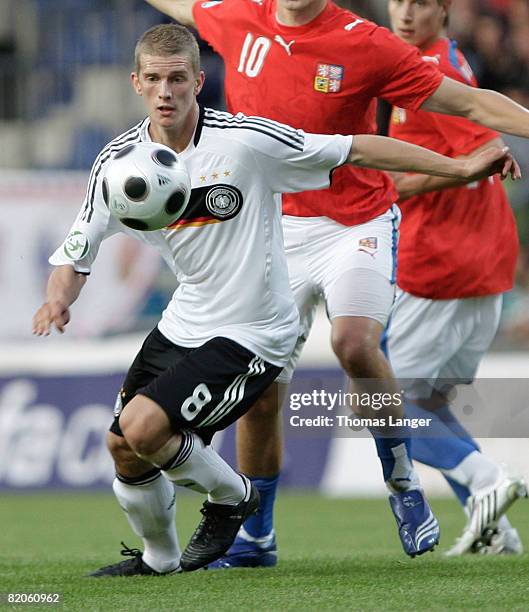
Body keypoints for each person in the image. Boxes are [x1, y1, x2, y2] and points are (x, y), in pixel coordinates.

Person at [31, 23, 510, 576]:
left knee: (150, 426)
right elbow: (77, 249)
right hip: (186, 322)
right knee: (123, 448)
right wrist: (57, 300)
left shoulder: (245, 141)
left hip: (255, 330)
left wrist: (459, 167)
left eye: (179, 79)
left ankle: (246, 496)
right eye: (156, 80)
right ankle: (161, 560)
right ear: (136, 82)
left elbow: (356, 148)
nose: (167, 92)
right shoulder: (117, 164)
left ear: (198, 81)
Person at [145, 0, 529, 566]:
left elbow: (469, 101)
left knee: (354, 342)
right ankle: (258, 537)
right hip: (275, 230)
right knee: (260, 393)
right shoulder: (234, 16)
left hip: (357, 221)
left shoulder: (364, 42)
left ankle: (403, 483)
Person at [385, 0, 527, 556]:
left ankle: (488, 477)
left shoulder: (433, 74)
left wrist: (387, 187)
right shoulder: (446, 62)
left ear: (442, 9)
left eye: (419, 2)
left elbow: (480, 157)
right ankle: (493, 531)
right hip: (483, 263)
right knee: (433, 403)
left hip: (442, 265)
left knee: (380, 406)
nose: (403, 12)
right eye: (397, 0)